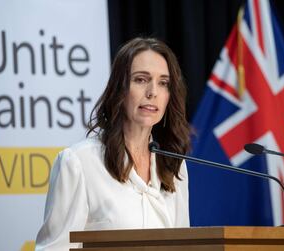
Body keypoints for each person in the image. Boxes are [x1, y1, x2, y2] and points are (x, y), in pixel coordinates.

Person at [35, 37, 191, 250]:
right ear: (120, 88)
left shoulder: (174, 165)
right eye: (141, 79)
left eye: (163, 83)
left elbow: (184, 244)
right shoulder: (79, 162)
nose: (153, 92)